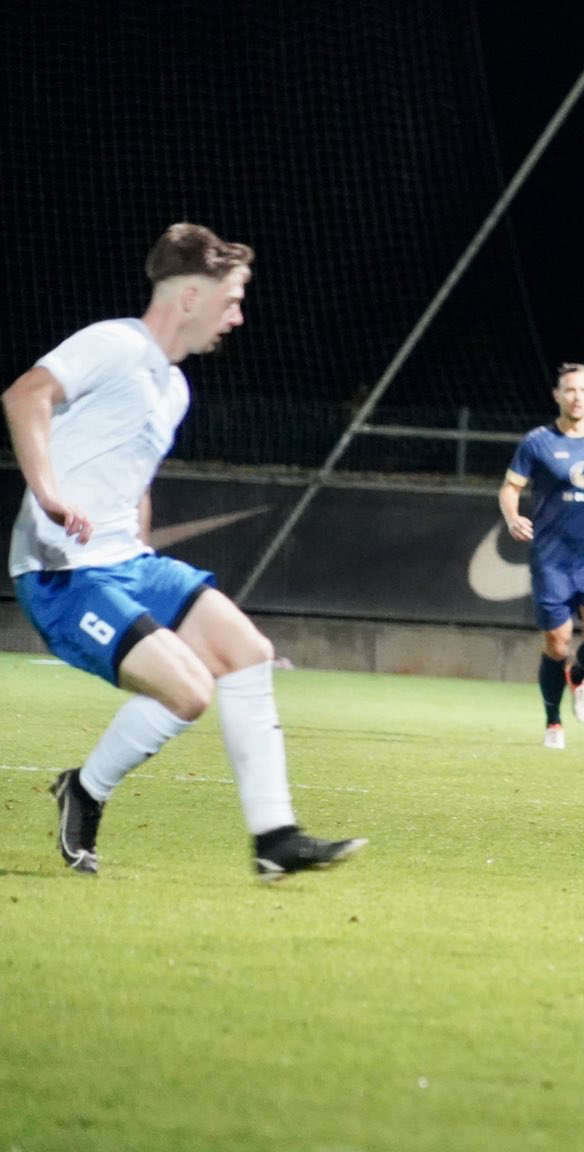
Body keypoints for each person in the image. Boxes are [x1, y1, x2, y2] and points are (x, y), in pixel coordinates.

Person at [5, 223, 366, 880]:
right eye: (232, 300)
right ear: (192, 296)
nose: (237, 317)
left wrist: (139, 545)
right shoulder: (115, 344)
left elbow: (132, 478)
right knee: (190, 693)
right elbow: (25, 394)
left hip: (128, 563)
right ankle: (85, 789)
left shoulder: (174, 389)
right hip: (65, 573)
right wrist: (49, 493)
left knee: (247, 652)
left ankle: (275, 838)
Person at [498, 362, 584, 748]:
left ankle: (578, 676)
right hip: (552, 559)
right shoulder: (537, 442)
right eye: (570, 390)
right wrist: (513, 517)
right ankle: (553, 722)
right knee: (557, 643)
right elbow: (509, 488)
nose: (577, 397)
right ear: (557, 395)